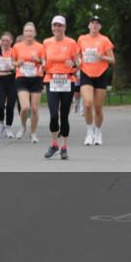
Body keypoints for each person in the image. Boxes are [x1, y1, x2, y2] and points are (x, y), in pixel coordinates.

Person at [42, 16, 80, 160]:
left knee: (64, 115)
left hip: (67, 80)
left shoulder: (71, 42)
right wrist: (43, 64)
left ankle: (64, 147)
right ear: (51, 27)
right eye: (54, 25)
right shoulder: (46, 42)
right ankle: (54, 144)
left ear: (64, 27)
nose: (57, 28)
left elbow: (79, 62)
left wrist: (74, 64)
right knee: (53, 115)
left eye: (60, 25)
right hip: (51, 80)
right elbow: (44, 60)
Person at [78, 15, 116, 146]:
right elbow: (77, 55)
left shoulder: (104, 40)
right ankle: (89, 132)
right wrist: (77, 61)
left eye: (97, 23)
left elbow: (113, 60)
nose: (94, 25)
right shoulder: (82, 39)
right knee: (88, 104)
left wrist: (103, 57)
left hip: (100, 75)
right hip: (86, 74)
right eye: (92, 23)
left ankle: (98, 132)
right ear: (89, 25)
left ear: (100, 27)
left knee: (98, 107)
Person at [14, 22, 45, 144]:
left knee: (34, 108)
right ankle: (23, 126)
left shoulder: (40, 47)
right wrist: (18, 63)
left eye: (31, 31)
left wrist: (38, 60)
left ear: (35, 33)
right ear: (23, 33)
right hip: (22, 78)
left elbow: (44, 63)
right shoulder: (17, 46)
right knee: (25, 107)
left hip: (36, 78)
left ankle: (33, 133)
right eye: (26, 31)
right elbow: (13, 62)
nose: (29, 33)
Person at [0, 32, 18, 138]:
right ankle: (1, 124)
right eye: (3, 40)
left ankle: (8, 127)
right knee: (0, 104)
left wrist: (12, 66)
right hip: (0, 79)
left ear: (11, 41)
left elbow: (18, 64)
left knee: (10, 105)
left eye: (7, 41)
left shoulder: (14, 51)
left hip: (11, 79)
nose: (5, 43)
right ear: (1, 41)